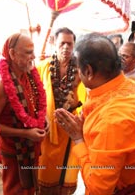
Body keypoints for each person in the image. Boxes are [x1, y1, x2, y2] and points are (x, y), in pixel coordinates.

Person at [54, 33, 135, 195]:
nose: (77, 75)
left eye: (77, 69)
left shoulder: (111, 122)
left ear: (88, 71)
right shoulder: (129, 85)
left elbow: (98, 190)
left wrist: (78, 138)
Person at [0, 33, 48, 195]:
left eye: (33, 51)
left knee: (31, 190)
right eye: (28, 52)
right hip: (14, 153)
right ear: (13, 54)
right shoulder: (0, 85)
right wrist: (25, 133)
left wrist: (44, 120)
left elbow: (36, 107)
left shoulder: (29, 76)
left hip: (31, 149)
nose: (34, 56)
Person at [36, 27, 87, 195]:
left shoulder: (81, 70)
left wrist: (76, 103)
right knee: (46, 169)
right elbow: (34, 96)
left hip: (70, 129)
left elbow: (88, 98)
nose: (66, 47)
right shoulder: (42, 67)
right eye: (62, 43)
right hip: (48, 127)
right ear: (54, 43)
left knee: (67, 170)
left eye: (69, 44)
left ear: (74, 45)